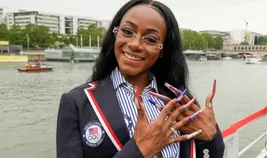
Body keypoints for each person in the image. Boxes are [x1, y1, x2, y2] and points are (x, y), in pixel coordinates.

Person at [56, 0, 225, 158]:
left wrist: (210, 137)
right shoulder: (78, 102)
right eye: (127, 31)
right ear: (115, 34)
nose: (135, 44)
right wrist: (139, 151)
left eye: (150, 39)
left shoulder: (177, 101)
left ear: (163, 50)